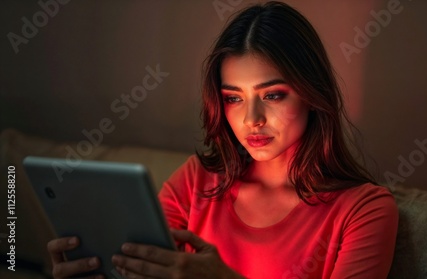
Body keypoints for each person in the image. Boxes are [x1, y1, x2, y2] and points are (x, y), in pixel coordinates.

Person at [47, 1, 398, 278]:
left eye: (273, 94)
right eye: (233, 98)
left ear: (311, 94)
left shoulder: (364, 210)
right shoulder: (195, 180)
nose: (251, 119)